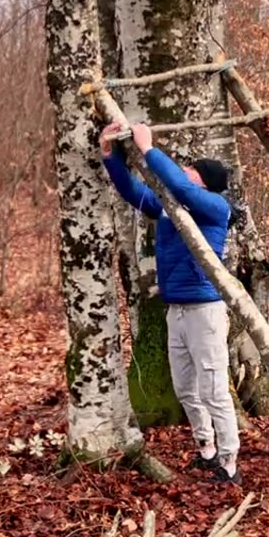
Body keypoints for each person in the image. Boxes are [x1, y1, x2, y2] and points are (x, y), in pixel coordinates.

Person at [99, 121, 241, 486]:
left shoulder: (214, 206)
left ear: (204, 181)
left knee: (213, 388)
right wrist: (109, 155)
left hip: (205, 311)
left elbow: (177, 183)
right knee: (185, 389)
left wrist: (148, 149)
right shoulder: (170, 205)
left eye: (191, 170)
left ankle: (229, 464)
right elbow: (133, 191)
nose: (184, 172)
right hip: (175, 310)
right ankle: (206, 451)